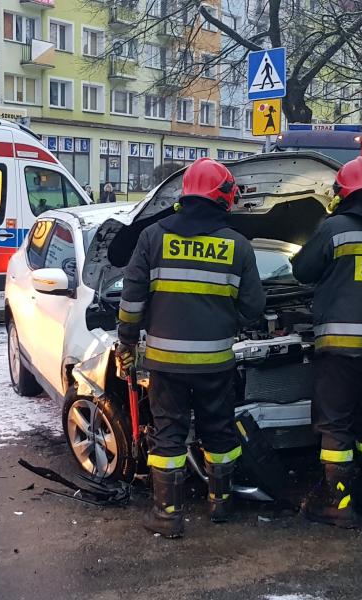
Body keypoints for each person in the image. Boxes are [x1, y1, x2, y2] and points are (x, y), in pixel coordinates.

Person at [116, 157, 267, 538]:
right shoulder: (238, 246)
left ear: (185, 196)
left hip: (165, 364)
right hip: (216, 363)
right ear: (225, 198)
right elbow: (253, 309)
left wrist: (127, 339)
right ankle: (221, 504)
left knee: (168, 434)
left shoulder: (152, 237)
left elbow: (131, 299)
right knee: (219, 431)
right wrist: (226, 318)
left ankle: (167, 514)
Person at [291, 157, 362, 527]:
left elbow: (303, 270)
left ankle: (338, 504)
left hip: (339, 348)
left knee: (335, 424)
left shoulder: (335, 227)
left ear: (344, 193)